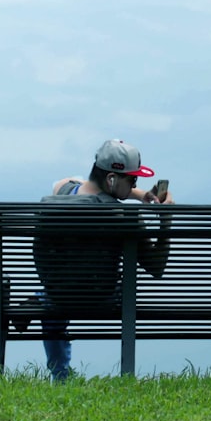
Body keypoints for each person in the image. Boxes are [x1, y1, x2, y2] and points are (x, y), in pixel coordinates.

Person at [33, 139, 174, 380]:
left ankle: (59, 375)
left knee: (50, 295)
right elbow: (156, 268)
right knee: (109, 286)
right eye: (132, 179)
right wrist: (166, 220)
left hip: (58, 298)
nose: (135, 184)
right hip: (105, 298)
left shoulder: (56, 200)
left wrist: (137, 194)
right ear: (111, 180)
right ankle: (126, 373)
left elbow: (65, 183)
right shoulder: (125, 217)